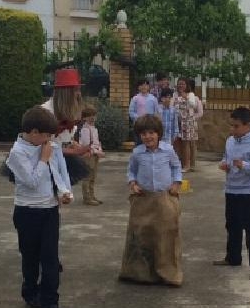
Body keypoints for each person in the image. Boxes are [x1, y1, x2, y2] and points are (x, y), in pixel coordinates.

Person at [6, 106, 73, 308]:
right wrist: (43, 159)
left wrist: (64, 192)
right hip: (27, 212)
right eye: (45, 135)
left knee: (50, 257)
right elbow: (32, 182)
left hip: (50, 210)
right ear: (33, 132)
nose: (49, 140)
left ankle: (50, 301)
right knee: (31, 257)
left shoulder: (49, 146)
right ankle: (30, 292)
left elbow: (58, 173)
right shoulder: (17, 153)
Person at [119, 114, 183, 286]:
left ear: (158, 134)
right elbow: (131, 171)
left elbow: (177, 167)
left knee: (165, 235)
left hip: (164, 197)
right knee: (141, 235)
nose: (148, 137)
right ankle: (140, 273)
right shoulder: (137, 153)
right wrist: (132, 183)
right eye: (144, 134)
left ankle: (168, 273)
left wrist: (177, 183)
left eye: (151, 133)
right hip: (143, 198)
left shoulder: (168, 150)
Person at [214, 106, 250, 281]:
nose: (233, 129)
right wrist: (224, 164)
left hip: (249, 192)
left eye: (236, 126)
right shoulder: (230, 141)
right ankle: (233, 257)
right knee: (232, 225)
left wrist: (243, 165)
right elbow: (226, 157)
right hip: (231, 189)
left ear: (248, 126)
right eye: (231, 125)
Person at [42, 68, 90, 184]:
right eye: (75, 90)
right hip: (46, 162)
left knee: (61, 195)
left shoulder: (70, 111)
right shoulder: (46, 112)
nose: (78, 94)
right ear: (66, 92)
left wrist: (73, 144)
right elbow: (41, 147)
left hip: (62, 159)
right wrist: (73, 152)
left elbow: (65, 137)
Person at [174, 77, 203, 172]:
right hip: (177, 122)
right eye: (179, 83)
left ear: (187, 85)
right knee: (177, 144)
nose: (180, 85)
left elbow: (193, 105)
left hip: (188, 123)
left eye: (183, 84)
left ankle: (188, 165)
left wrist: (185, 97)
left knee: (187, 144)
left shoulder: (191, 95)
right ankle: (179, 163)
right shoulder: (175, 95)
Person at [78, 104, 104, 206]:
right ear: (84, 118)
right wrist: (97, 151)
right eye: (89, 116)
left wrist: (100, 150)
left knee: (93, 176)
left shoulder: (94, 128)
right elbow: (87, 145)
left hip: (95, 154)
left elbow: (97, 142)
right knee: (87, 176)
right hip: (89, 155)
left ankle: (92, 195)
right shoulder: (85, 129)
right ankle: (87, 197)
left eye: (94, 115)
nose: (92, 118)